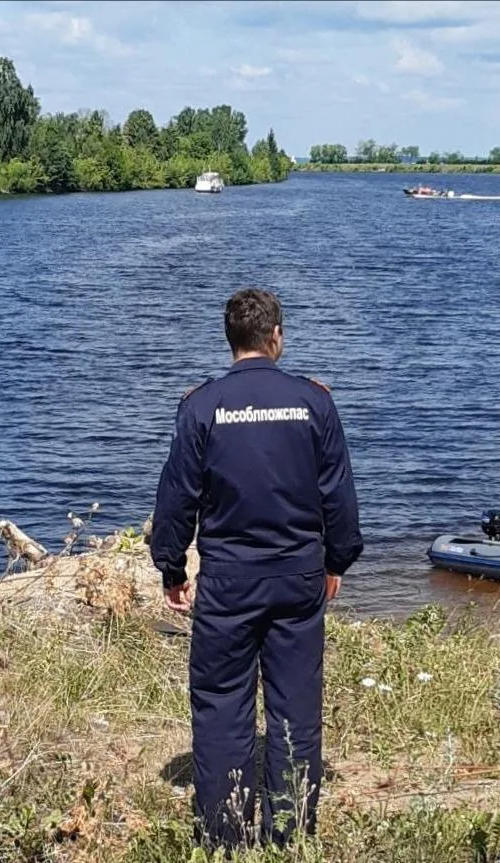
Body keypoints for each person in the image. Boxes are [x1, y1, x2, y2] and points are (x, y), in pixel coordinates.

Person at [149, 288, 363, 853]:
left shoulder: (201, 405)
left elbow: (176, 498)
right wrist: (336, 559)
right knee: (295, 702)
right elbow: (338, 496)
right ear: (276, 337)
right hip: (297, 578)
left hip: (228, 581)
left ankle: (225, 838)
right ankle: (290, 832)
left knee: (222, 703)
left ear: (231, 341)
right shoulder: (314, 403)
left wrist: (172, 567)